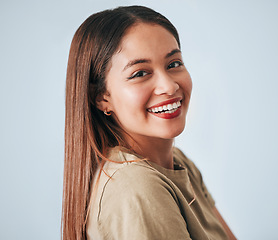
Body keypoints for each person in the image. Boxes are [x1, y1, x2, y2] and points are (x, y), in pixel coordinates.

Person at [62, 5, 236, 240]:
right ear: (102, 97)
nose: (169, 86)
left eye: (174, 64)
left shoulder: (178, 162)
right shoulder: (137, 188)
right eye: (140, 73)